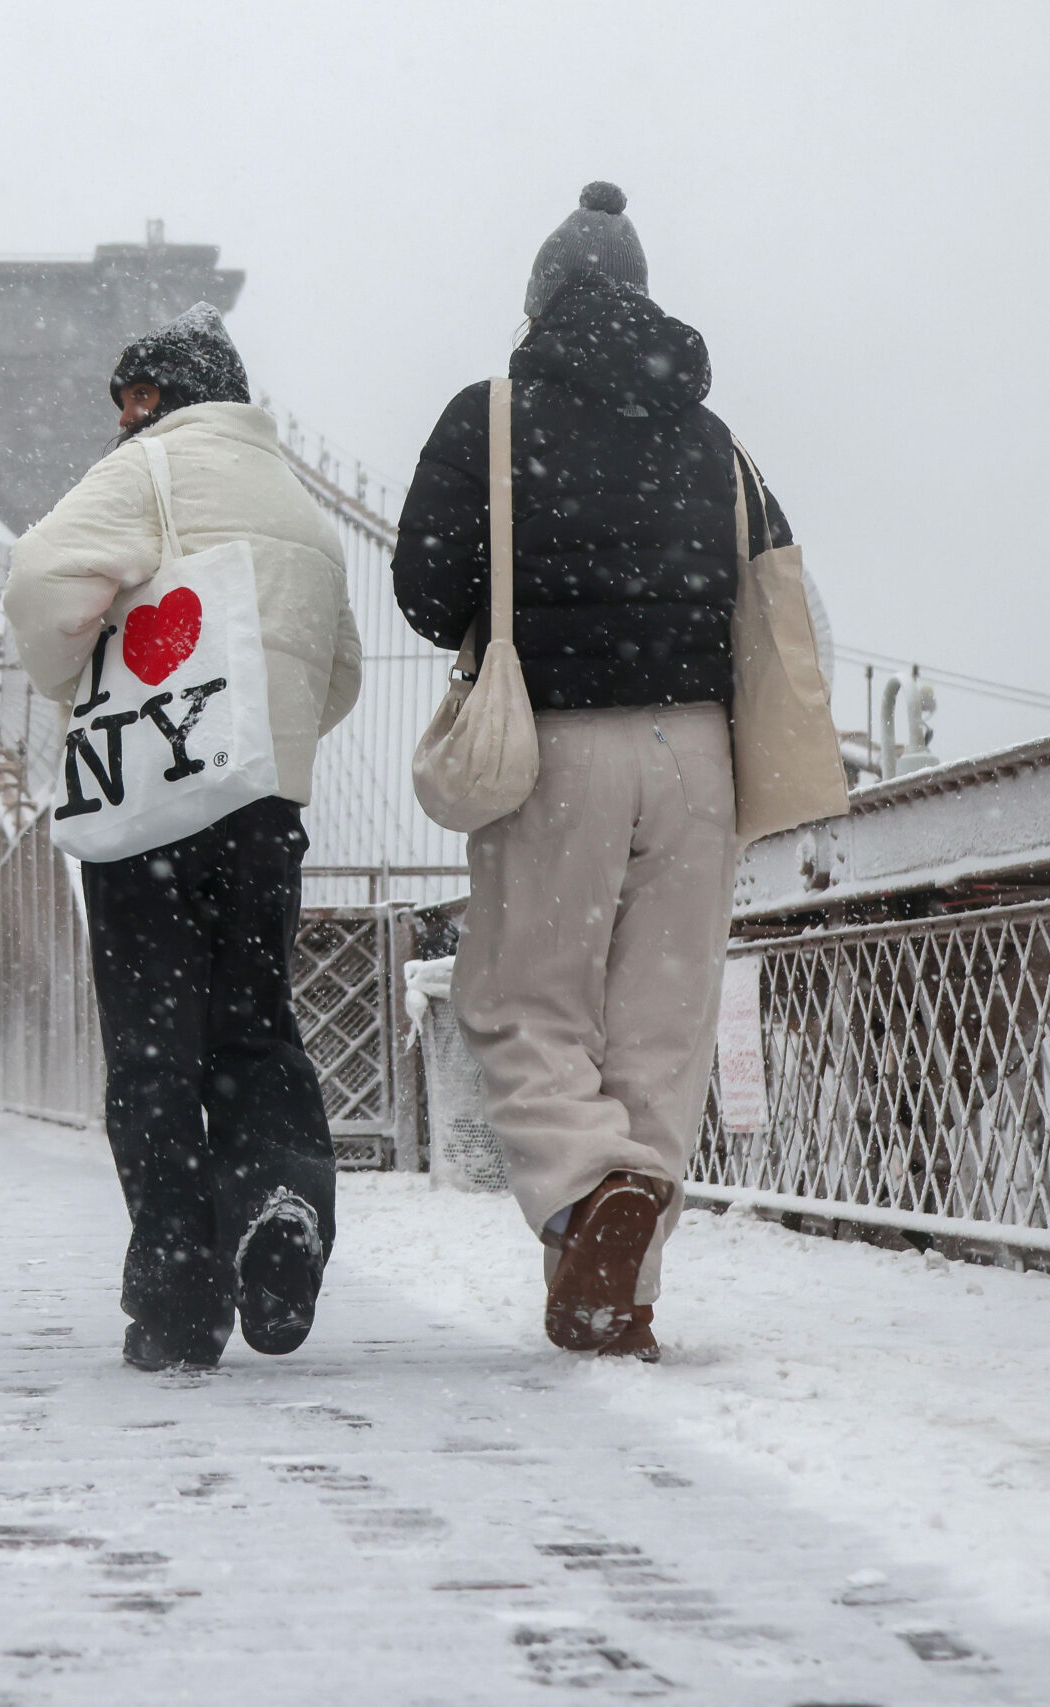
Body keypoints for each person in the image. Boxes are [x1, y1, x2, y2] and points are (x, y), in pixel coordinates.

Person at [392, 184, 792, 1363]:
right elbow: (770, 591)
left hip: (558, 744)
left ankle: (583, 1193)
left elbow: (424, 589)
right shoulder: (713, 439)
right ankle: (617, 1286)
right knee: (659, 1029)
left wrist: (513, 609)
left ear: (538, 300)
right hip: (700, 754)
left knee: (524, 1002)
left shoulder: (492, 416)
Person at [4, 303, 362, 1372]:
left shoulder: (145, 473)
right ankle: (281, 1204)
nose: (125, 418)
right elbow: (338, 674)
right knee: (254, 1028)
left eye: (137, 397)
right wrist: (261, 734)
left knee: (156, 1055)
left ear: (168, 398)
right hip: (263, 809)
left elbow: (36, 584)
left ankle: (177, 1293)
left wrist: (76, 674)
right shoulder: (299, 506)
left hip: (148, 811)